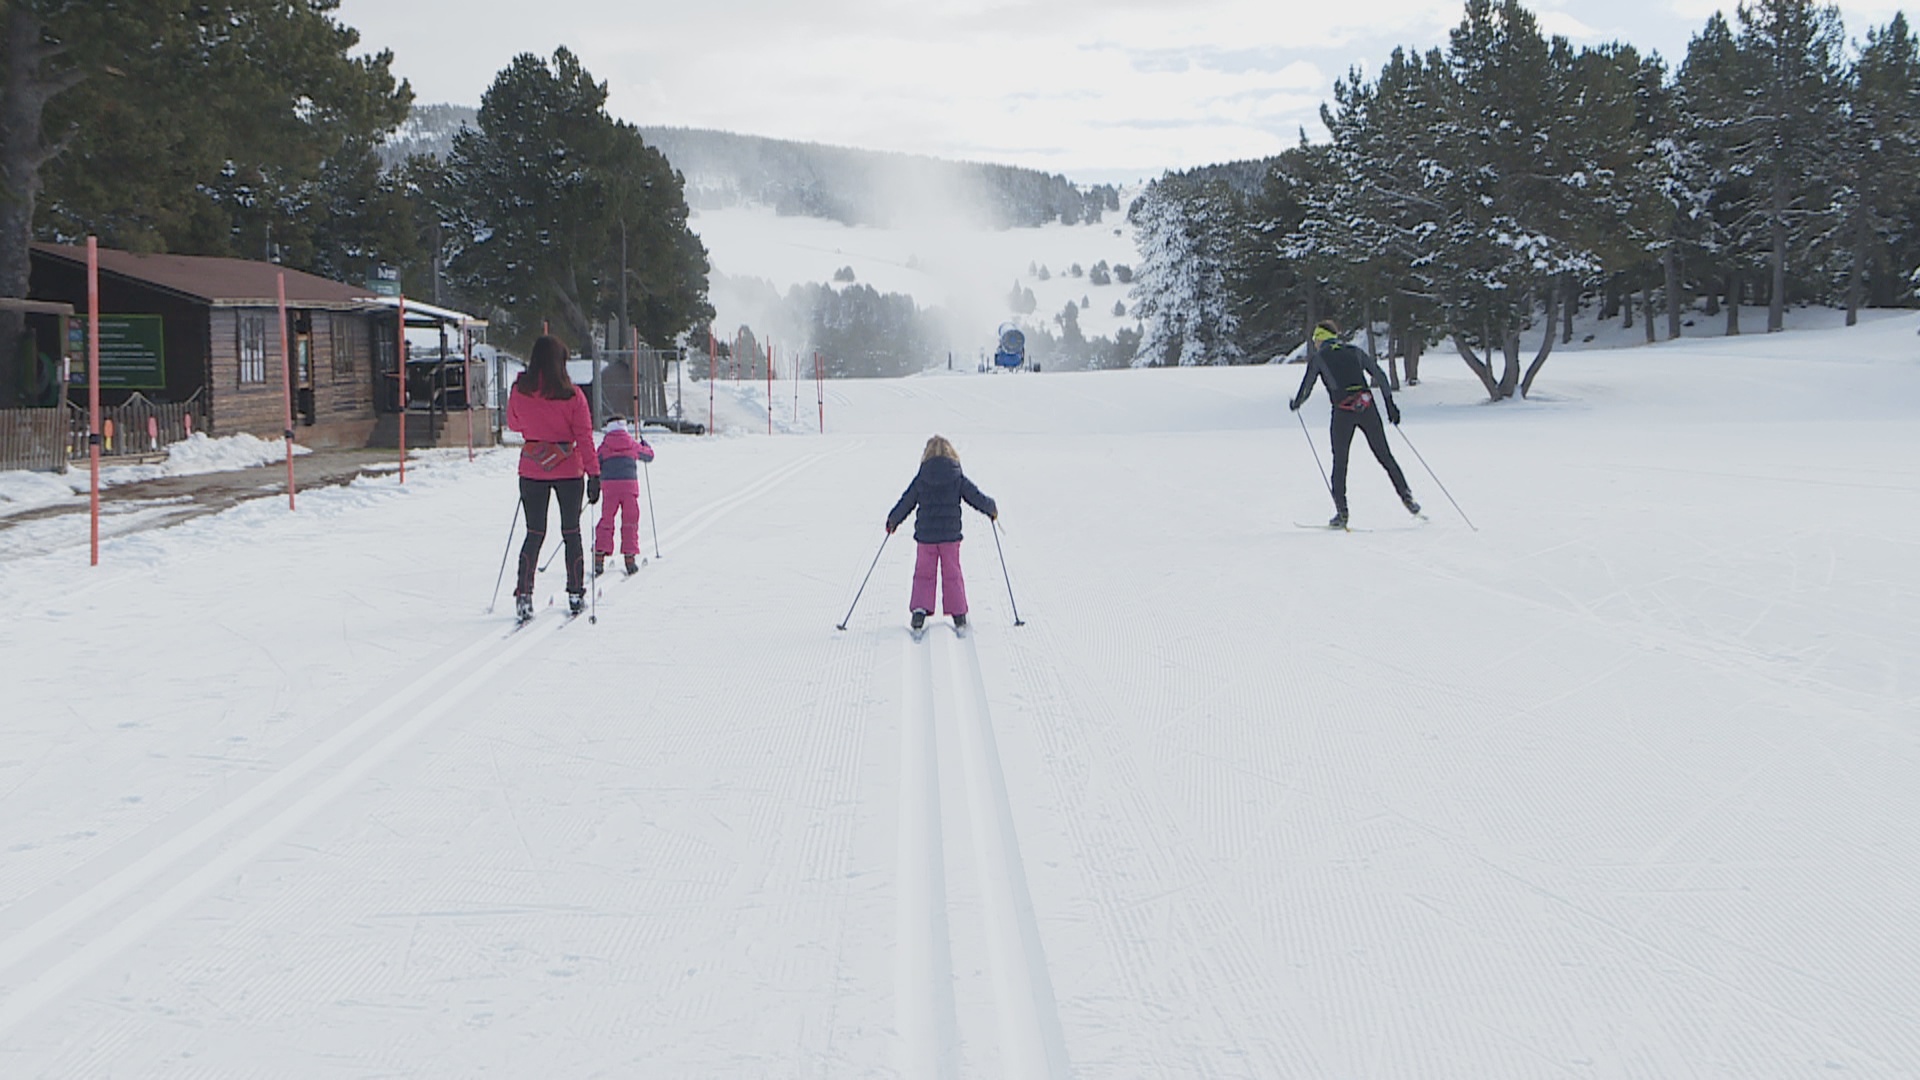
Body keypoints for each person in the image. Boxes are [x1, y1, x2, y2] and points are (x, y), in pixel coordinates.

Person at [1289, 318, 1420, 529]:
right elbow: (1380, 375)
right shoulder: (1354, 351)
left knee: (1340, 462)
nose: (1314, 344)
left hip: (1342, 412)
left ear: (1320, 339)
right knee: (1385, 455)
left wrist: (1296, 404)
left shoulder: (1319, 358)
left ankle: (1342, 513)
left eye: (1315, 340)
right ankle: (1407, 498)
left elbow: (1307, 387)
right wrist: (1390, 406)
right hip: (1367, 407)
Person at [506, 335, 600, 620]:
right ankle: (575, 592)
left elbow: (513, 423)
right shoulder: (572, 395)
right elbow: (584, 436)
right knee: (571, 532)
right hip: (568, 468)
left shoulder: (519, 390)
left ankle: (523, 594)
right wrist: (594, 474)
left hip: (532, 468)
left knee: (534, 532)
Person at [885, 435, 998, 631]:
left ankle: (919, 612)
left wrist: (893, 520)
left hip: (926, 538)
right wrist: (991, 508)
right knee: (952, 573)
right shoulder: (957, 477)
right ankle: (959, 614)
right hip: (950, 537)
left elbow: (907, 501)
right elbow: (975, 496)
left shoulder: (922, 478)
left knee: (923, 573)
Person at [593, 417, 655, 576]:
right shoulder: (631, 444)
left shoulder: (605, 446)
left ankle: (599, 556)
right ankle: (630, 558)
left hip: (609, 487)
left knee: (607, 519)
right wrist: (645, 445)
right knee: (630, 520)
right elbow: (649, 456)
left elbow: (594, 462)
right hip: (629, 487)